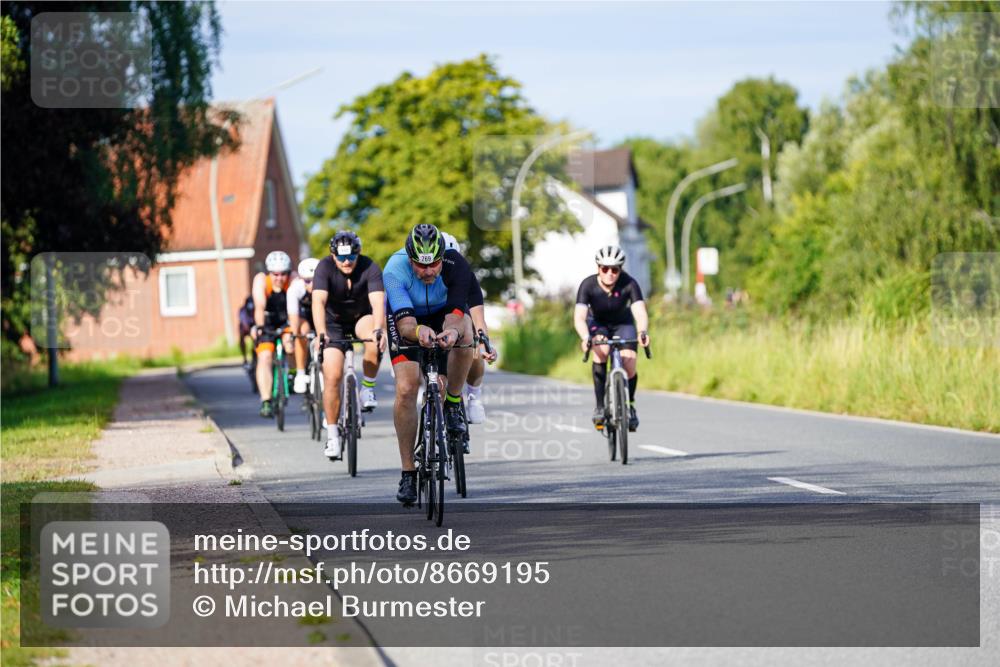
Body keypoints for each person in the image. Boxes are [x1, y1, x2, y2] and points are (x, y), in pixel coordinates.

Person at [384, 223, 478, 506]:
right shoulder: (394, 270)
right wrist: (418, 331)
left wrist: (452, 333)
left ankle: (453, 404)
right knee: (406, 388)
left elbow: (456, 315)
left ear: (442, 257)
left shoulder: (455, 264)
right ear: (410, 259)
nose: (428, 272)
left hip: (443, 314)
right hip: (408, 319)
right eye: (420, 265)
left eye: (433, 264)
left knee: (466, 334)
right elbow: (405, 324)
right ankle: (408, 473)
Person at [311, 231, 386, 460]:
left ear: (358, 253)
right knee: (332, 375)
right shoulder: (324, 267)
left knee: (374, 338)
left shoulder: (370, 267)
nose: (346, 262)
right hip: (333, 323)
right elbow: (318, 301)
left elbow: (378, 302)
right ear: (333, 255)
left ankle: (368, 387)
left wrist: (379, 329)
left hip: (361, 318)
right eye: (341, 257)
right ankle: (333, 435)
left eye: (351, 257)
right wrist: (321, 333)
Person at [573, 245, 650, 432]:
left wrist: (642, 332)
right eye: (605, 269)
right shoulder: (588, 285)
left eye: (614, 270)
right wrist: (585, 337)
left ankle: (630, 405)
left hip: (623, 323)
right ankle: (600, 406)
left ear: (620, 269)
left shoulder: (629, 283)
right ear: (598, 268)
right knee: (601, 350)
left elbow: (640, 312)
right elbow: (579, 317)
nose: (609, 274)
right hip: (598, 324)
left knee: (629, 361)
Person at [440, 232, 497, 423]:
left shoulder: (465, 275)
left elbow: (479, 319)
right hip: (433, 314)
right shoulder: (425, 273)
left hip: (458, 313)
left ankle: (474, 396)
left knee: (473, 342)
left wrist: (485, 345)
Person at [251, 251, 294, 418]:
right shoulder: (261, 280)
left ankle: (292, 375)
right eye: (275, 274)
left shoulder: (293, 280)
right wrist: (260, 327)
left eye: (283, 274)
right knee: (265, 357)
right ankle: (266, 401)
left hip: (287, 320)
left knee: (290, 344)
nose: (279, 278)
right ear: (269, 272)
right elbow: (259, 306)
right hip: (267, 321)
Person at [287, 257, 319, 394]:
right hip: (304, 317)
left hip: (322, 316)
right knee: (301, 331)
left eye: (316, 280)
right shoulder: (295, 289)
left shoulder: (328, 286)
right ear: (301, 279)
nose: (312, 285)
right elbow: (293, 316)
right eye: (307, 281)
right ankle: (300, 373)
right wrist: (294, 335)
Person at [237, 294, 255, 367]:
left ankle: (254, 354)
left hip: (254, 326)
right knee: (242, 340)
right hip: (245, 327)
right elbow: (243, 321)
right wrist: (248, 329)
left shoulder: (256, 308)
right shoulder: (243, 310)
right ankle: (244, 358)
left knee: (256, 340)